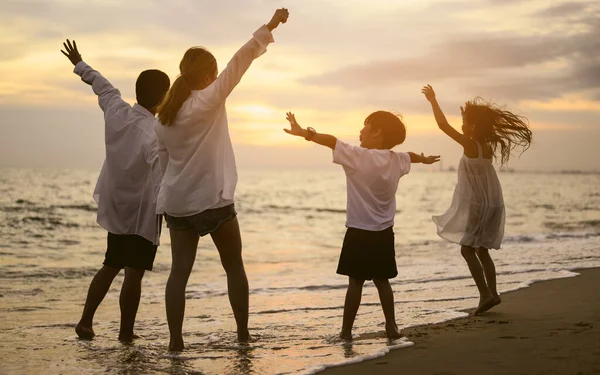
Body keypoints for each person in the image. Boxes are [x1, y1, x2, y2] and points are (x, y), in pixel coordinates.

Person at [155, 9, 290, 351]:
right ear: (207, 76)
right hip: (214, 201)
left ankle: (175, 343)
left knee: (178, 275)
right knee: (234, 267)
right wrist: (270, 26)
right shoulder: (209, 99)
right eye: (214, 74)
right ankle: (243, 336)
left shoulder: (164, 118)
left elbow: (163, 163)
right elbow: (241, 60)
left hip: (179, 205)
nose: (218, 78)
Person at [283, 111, 440, 340]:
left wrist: (305, 133)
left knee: (355, 283)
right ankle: (391, 327)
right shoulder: (396, 160)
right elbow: (411, 156)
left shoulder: (358, 156)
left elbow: (331, 141)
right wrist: (424, 160)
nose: (361, 130)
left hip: (358, 231)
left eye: (365, 125)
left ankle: (346, 332)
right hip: (384, 232)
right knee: (382, 281)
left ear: (377, 132)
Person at [61, 39, 170, 341]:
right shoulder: (153, 134)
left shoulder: (117, 109)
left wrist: (79, 63)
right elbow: (160, 178)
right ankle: (125, 332)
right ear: (163, 98)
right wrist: (171, 210)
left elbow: (101, 85)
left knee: (110, 265)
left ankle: (85, 321)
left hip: (118, 207)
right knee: (133, 273)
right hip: (141, 215)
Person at [421, 84, 532, 315]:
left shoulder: (470, 144)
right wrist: (467, 118)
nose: (461, 125)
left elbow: (443, 126)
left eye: (465, 123)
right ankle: (493, 294)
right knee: (482, 250)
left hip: (477, 205)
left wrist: (433, 100)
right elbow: (469, 131)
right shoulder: (486, 146)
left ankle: (485, 295)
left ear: (472, 127)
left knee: (467, 250)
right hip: (492, 202)